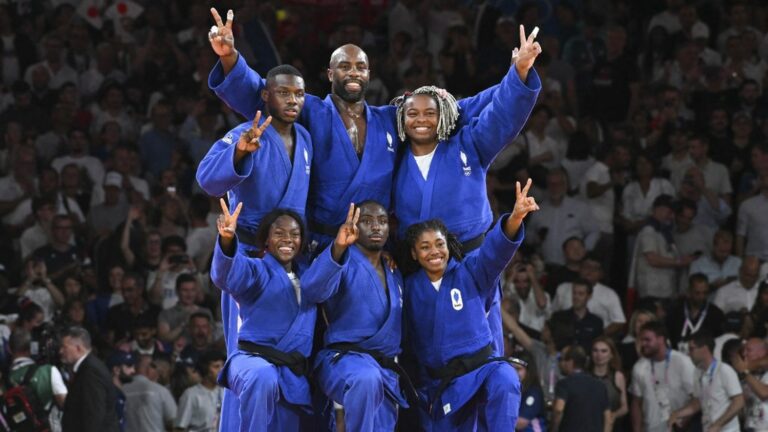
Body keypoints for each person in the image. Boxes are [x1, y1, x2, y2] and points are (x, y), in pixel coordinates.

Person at [196, 63, 312, 430]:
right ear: (265, 95)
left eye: (298, 94)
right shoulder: (246, 132)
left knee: (288, 356)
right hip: (248, 258)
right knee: (248, 358)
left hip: (293, 260)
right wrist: (241, 153)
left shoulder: (306, 141)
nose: (292, 100)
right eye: (283, 92)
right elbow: (206, 179)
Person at [401, 179, 538, 430]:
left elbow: (493, 254)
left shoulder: (469, 271)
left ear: (449, 246)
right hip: (442, 385)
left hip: (482, 370)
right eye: (425, 247)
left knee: (506, 378)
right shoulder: (409, 288)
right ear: (414, 254)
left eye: (440, 244)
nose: (435, 252)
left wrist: (514, 219)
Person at [210, 201, 317, 431]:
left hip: (290, 371)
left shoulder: (310, 278)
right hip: (252, 360)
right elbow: (228, 275)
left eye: (294, 234)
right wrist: (228, 241)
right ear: (266, 240)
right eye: (279, 233)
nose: (288, 239)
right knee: (263, 375)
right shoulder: (257, 269)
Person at [301, 201, 407, 431]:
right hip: (344, 360)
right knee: (365, 380)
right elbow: (311, 290)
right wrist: (338, 248)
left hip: (383, 369)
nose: (376, 227)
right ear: (354, 226)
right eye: (367, 221)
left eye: (382, 221)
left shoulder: (394, 270)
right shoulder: (342, 259)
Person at [668, 333, 744, 432]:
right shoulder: (698, 372)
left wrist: (718, 424)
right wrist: (677, 414)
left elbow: (739, 402)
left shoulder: (724, 370)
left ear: (704, 349)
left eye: (692, 349)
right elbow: (698, 402)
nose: (689, 353)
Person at [629, 321, 695, 432]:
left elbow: (696, 397)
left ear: (660, 339)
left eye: (647, 340)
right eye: (641, 340)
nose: (643, 344)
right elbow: (636, 402)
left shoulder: (682, 362)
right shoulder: (639, 367)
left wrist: (682, 423)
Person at [59, 326, 120, 432]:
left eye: (64, 347)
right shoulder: (88, 367)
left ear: (78, 348)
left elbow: (94, 415)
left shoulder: (91, 371)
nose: (60, 351)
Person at [552, 345, 611, 432]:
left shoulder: (564, 384)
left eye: (561, 359)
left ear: (570, 362)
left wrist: (553, 429)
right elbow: (608, 418)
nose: (560, 363)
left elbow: (558, 409)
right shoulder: (600, 385)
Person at [666, 273, 725, 353]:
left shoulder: (716, 314)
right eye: (697, 293)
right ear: (689, 291)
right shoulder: (675, 311)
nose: (702, 297)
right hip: (678, 356)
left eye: (705, 293)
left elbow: (719, 340)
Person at [174, 350, 226, 432]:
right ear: (205, 369)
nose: (221, 370)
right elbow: (179, 428)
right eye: (216, 367)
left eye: (222, 366)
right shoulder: (190, 395)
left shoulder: (225, 393)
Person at [123, 355, 178, 432]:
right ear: (149, 369)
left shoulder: (122, 389)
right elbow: (174, 421)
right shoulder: (160, 390)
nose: (158, 374)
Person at [551, 279, 603, 351]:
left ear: (589, 296)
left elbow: (597, 347)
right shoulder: (558, 317)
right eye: (574, 293)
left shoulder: (596, 322)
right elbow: (551, 343)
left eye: (580, 294)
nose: (576, 297)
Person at [588, 336, 629, 429]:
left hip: (612, 426)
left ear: (611, 355)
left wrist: (613, 416)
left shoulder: (618, 376)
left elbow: (624, 407)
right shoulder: (585, 376)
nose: (599, 355)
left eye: (604, 351)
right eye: (595, 350)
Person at [730, 338, 768, 431]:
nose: (744, 354)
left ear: (762, 352)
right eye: (744, 350)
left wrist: (744, 371)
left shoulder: (746, 374)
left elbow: (764, 393)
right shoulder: (747, 377)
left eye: (749, 350)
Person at [510, 351, 548, 432]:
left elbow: (521, 422)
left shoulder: (533, 392)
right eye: (511, 368)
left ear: (528, 372)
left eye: (518, 369)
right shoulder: (514, 389)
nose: (513, 372)